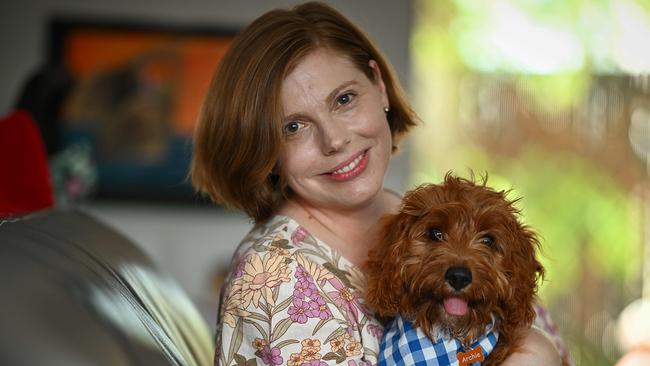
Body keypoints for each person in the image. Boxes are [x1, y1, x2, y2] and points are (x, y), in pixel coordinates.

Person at [191, 2, 568, 365]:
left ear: (380, 87)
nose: (334, 140)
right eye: (293, 126)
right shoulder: (274, 277)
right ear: (264, 149)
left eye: (344, 99)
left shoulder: (425, 219)